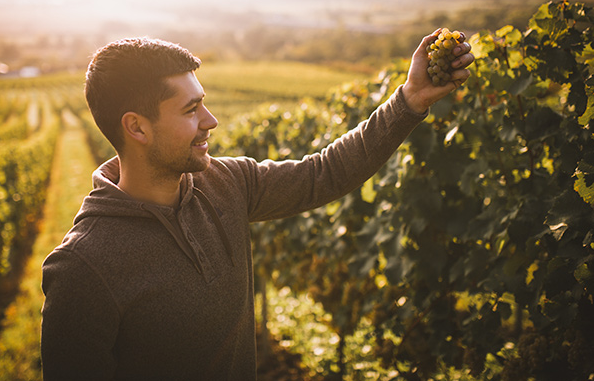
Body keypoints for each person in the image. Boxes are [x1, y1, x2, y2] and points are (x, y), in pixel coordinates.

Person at [41, 30, 474, 380]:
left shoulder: (226, 182)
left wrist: (409, 101)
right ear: (136, 128)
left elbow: (322, 173)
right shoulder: (83, 268)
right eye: (191, 109)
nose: (210, 121)